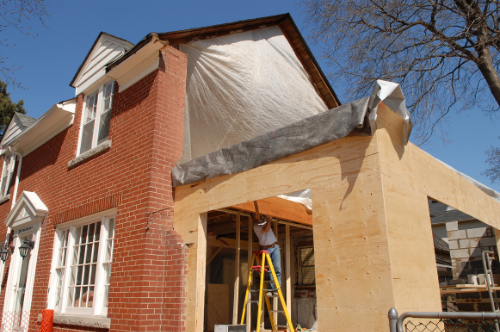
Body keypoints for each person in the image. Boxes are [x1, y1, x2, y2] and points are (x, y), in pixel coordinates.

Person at [252, 211, 281, 298]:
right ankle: (270, 289)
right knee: (268, 270)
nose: (258, 215)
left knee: (277, 268)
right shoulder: (256, 226)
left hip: (275, 247)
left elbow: (270, 214)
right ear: (253, 217)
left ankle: (276, 289)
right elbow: (267, 229)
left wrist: (268, 215)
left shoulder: (265, 220)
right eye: (255, 214)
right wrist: (268, 219)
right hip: (266, 249)